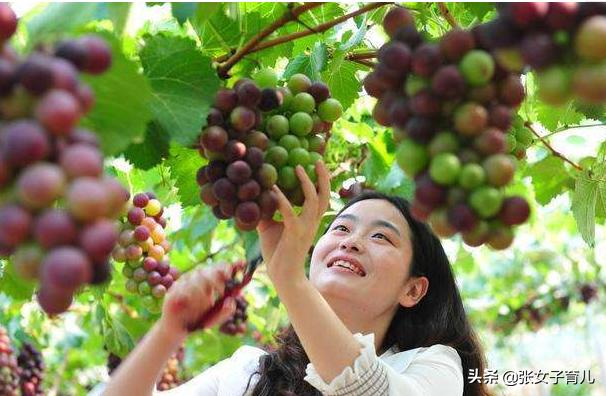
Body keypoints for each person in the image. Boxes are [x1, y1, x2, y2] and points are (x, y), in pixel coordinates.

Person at [103, 161, 491, 396]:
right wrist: (170, 330)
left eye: (379, 236)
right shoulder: (246, 373)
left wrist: (289, 278)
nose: (351, 242)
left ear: (413, 289)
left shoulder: (431, 367)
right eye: (339, 229)